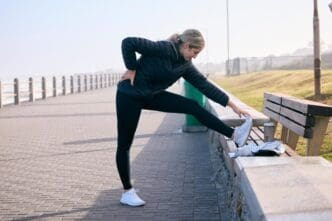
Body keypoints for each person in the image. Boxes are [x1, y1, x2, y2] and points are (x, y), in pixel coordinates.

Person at [116, 29, 252, 207]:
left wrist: (231, 104)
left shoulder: (185, 65)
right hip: (130, 95)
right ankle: (127, 192)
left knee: (193, 106)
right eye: (194, 52)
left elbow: (203, 84)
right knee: (125, 143)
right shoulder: (164, 48)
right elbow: (128, 42)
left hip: (152, 95)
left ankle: (234, 135)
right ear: (187, 45)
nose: (194, 57)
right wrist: (132, 68)